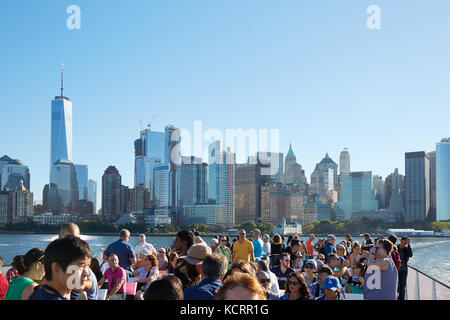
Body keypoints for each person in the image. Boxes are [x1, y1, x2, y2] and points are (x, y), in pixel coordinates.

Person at [59, 222, 98, 300]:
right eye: (68, 238)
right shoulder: (57, 257)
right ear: (59, 237)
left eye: (74, 239)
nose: (71, 242)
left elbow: (88, 283)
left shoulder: (82, 264)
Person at [397, 236, 413, 300]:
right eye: (402, 242)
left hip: (404, 270)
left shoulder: (406, 249)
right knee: (396, 286)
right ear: (400, 241)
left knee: (402, 287)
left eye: (405, 243)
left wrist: (409, 245)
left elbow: (410, 255)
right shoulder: (396, 248)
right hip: (396, 270)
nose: (403, 244)